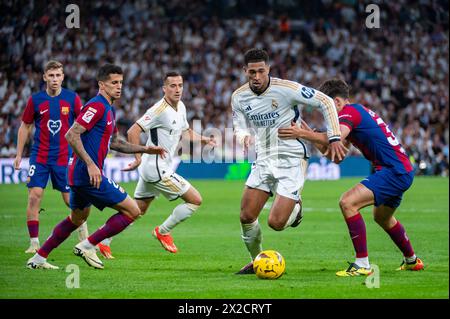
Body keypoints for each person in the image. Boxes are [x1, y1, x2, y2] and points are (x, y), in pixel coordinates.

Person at [278, 78, 424, 276]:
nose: (325, 112)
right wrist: (308, 133)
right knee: (382, 217)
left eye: (326, 107)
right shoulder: (355, 113)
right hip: (398, 169)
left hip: (393, 171)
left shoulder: (349, 113)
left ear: (336, 102)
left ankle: (362, 264)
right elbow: (336, 156)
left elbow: (331, 137)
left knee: (348, 202)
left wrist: (303, 133)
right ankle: (412, 261)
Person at [26, 64, 166, 269]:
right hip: (86, 173)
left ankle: (38, 258)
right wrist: (91, 165)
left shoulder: (108, 109)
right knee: (133, 211)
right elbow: (71, 134)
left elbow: (116, 142)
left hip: (78, 174)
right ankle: (88, 244)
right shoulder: (97, 106)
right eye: (114, 83)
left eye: (120, 83)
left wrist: (146, 149)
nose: (119, 87)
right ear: (102, 85)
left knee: (76, 218)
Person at [232, 49, 346, 274]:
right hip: (263, 157)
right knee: (246, 216)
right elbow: (238, 123)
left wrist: (333, 137)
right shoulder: (238, 96)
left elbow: (325, 101)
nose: (256, 76)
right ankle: (258, 261)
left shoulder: (286, 89)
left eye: (261, 71)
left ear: (268, 70)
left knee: (276, 223)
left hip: (291, 157)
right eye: (252, 72)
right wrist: (242, 135)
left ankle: (297, 208)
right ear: (245, 71)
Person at [124, 71, 216, 253]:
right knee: (195, 200)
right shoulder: (158, 110)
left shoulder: (181, 106)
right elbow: (132, 132)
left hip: (153, 168)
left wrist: (204, 139)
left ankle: (103, 241)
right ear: (164, 88)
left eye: (180, 85)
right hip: (157, 169)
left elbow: (186, 132)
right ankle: (163, 231)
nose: (177, 89)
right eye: (172, 86)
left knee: (135, 211)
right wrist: (137, 157)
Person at [14, 60, 89, 254]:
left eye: (58, 75)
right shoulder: (36, 100)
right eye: (51, 75)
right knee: (34, 197)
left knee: (71, 201)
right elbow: (25, 126)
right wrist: (18, 154)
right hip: (39, 157)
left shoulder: (72, 99)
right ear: (44, 77)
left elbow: (82, 127)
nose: (55, 79)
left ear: (63, 77)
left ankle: (85, 241)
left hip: (64, 158)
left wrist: (85, 154)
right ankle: (34, 243)